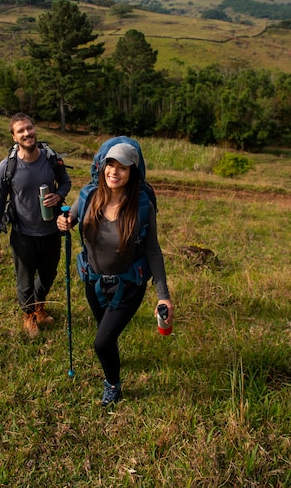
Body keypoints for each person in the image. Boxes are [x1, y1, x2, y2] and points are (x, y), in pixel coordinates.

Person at [57, 142, 173, 407]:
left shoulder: (142, 206)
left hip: (128, 285)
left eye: (123, 168)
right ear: (102, 166)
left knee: (101, 343)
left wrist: (163, 296)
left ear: (133, 172)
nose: (114, 172)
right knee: (106, 335)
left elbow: (153, 249)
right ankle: (112, 354)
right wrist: (62, 221)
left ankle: (113, 385)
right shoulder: (88, 195)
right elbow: (68, 220)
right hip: (94, 282)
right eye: (111, 165)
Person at [0, 113, 71, 337]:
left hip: (51, 231)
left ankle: (38, 307)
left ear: (35, 129)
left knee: (48, 275)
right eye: (21, 131)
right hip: (22, 234)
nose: (27, 133)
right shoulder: (7, 167)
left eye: (29, 128)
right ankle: (29, 315)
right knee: (25, 280)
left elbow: (65, 181)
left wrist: (59, 195)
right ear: (14, 137)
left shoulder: (51, 158)